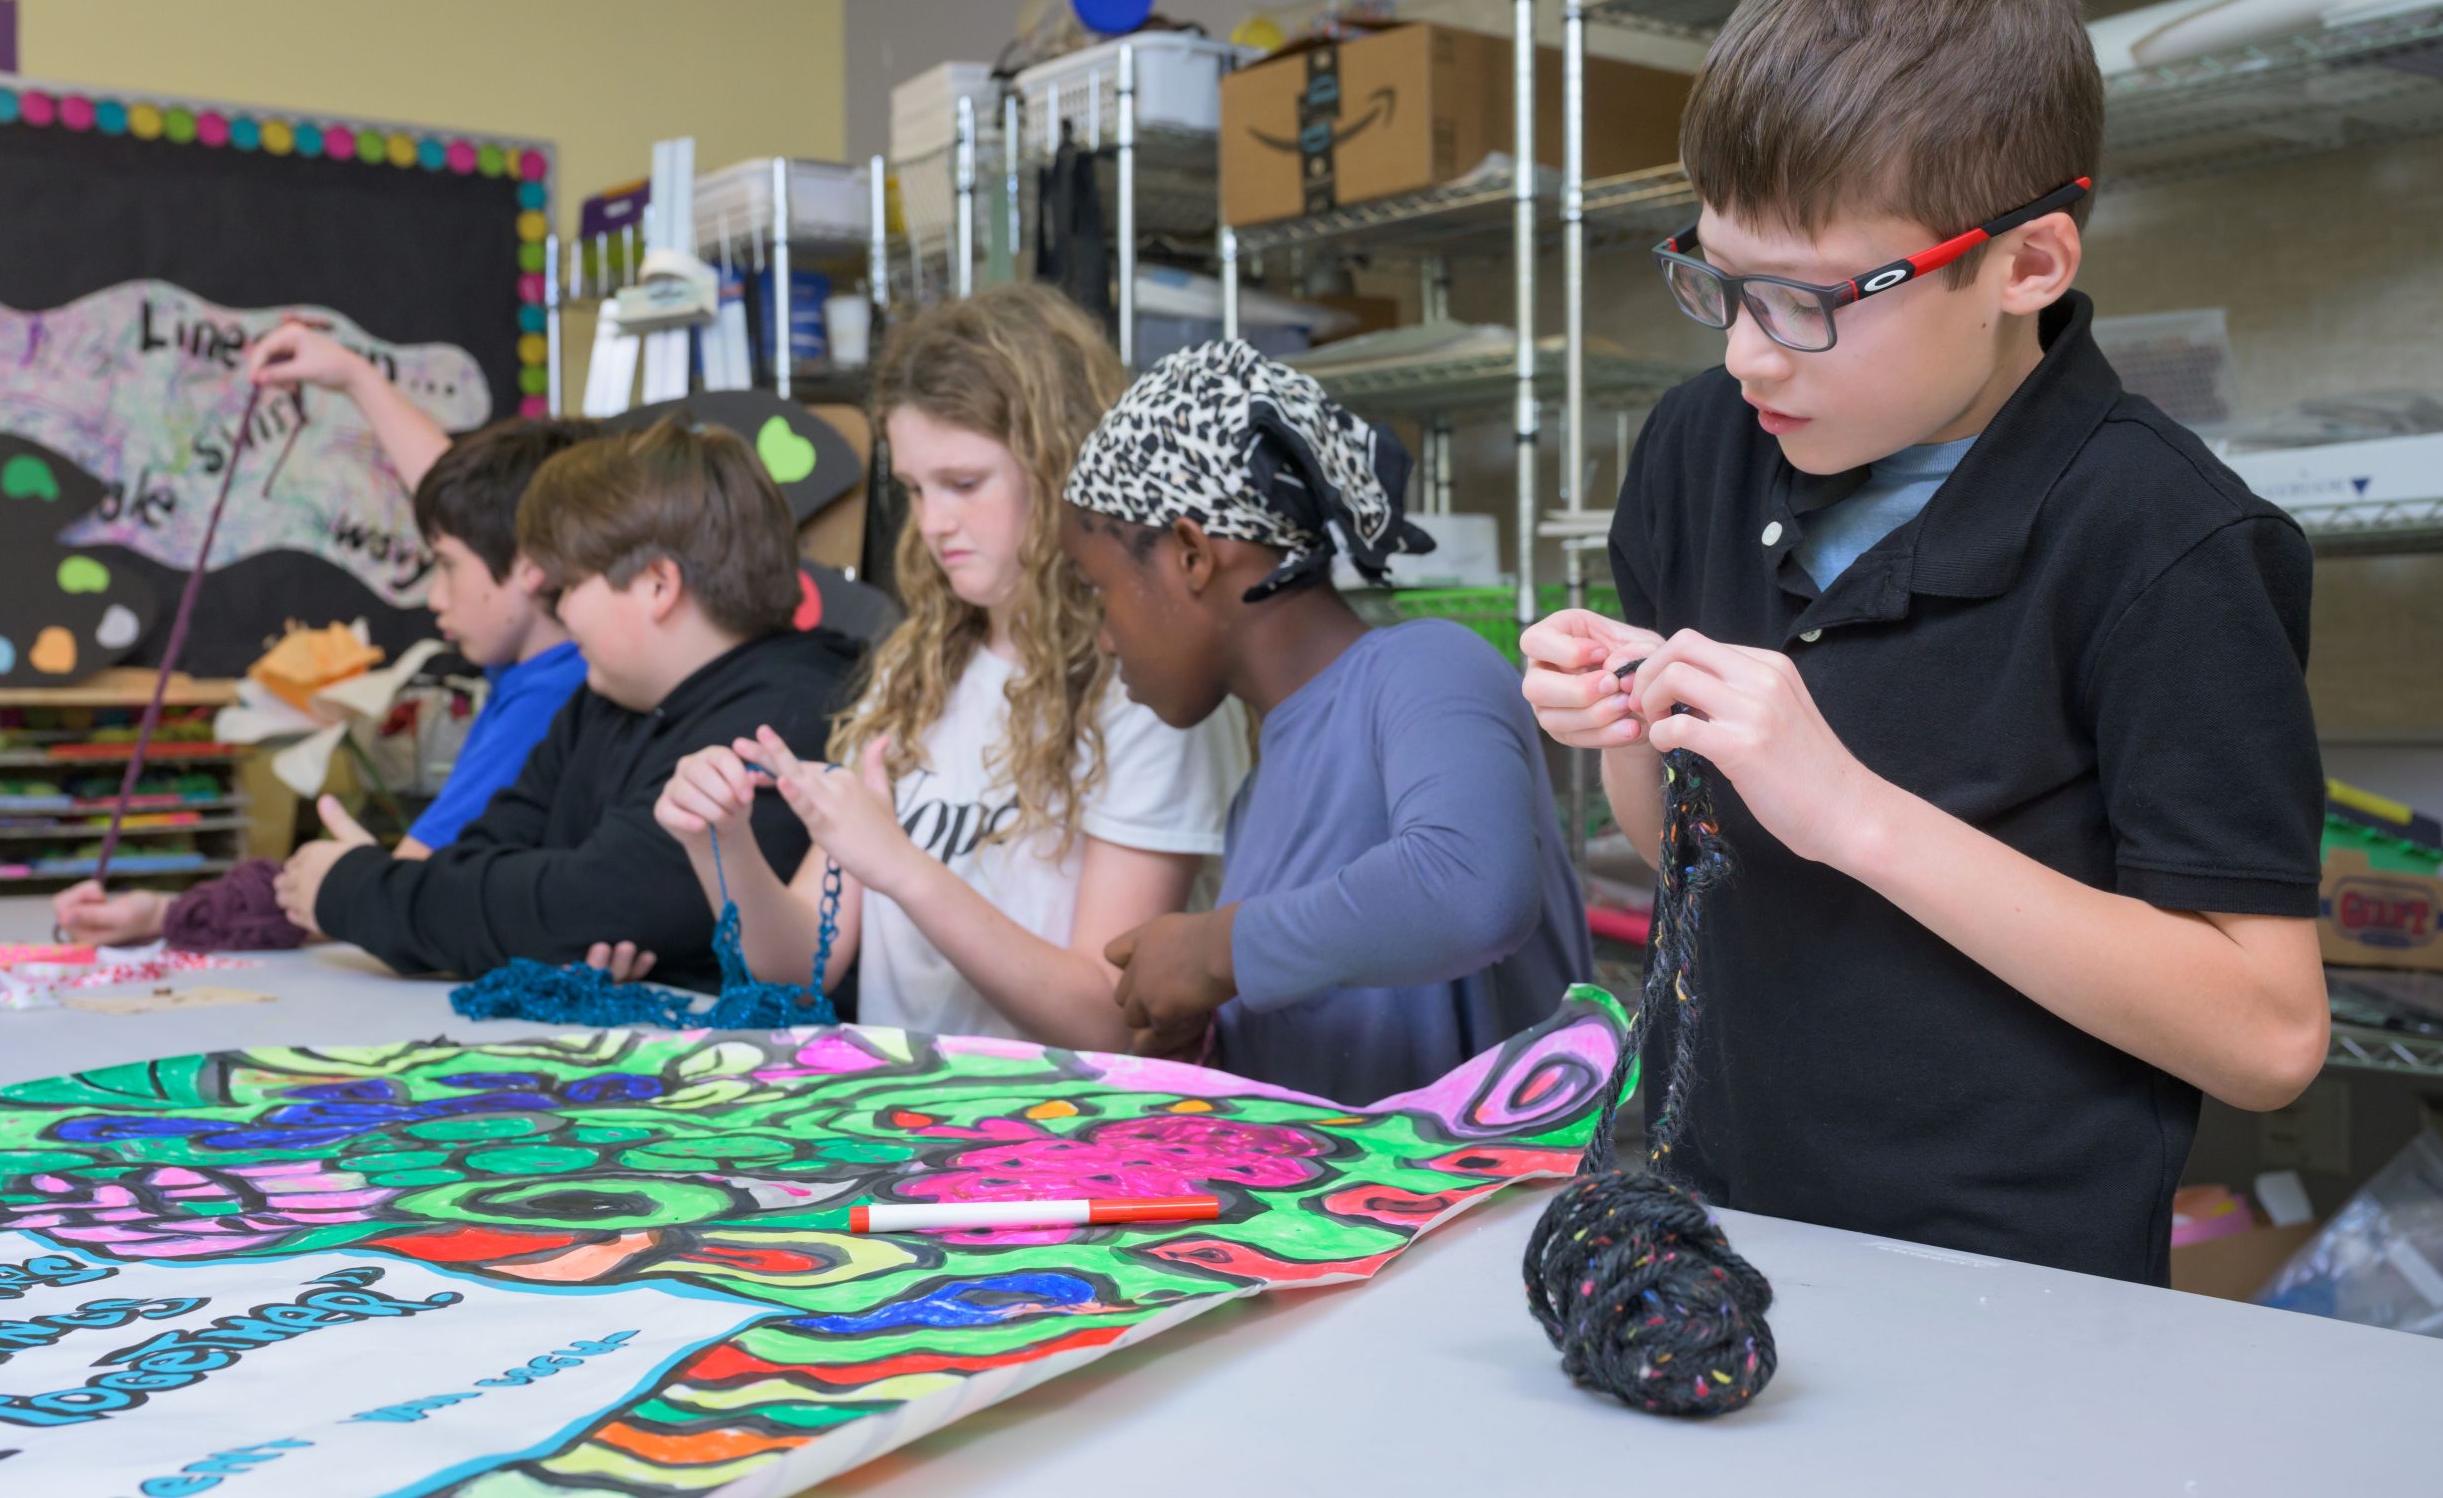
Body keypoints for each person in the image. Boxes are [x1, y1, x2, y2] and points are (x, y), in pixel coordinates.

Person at [1518, 0, 2328, 1284]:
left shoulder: (2164, 540)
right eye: (1719, 278)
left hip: (2008, 1282)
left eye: (1807, 299)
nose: (1752, 356)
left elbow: (2265, 1034)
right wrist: (1624, 722)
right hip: (1722, 1217)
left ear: (2026, 265)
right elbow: (1681, 853)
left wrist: (1854, 811)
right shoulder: (1699, 449)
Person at [644, 286, 1245, 1048]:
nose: (932, 523)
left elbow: (1114, 1021)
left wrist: (901, 865)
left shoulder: (1154, 693)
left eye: (964, 484)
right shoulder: (918, 669)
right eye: (915, 490)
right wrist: (720, 839)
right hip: (909, 1127)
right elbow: (799, 968)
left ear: (1063, 467)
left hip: (1071, 1143)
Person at [1057, 338, 1590, 1105]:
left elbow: (1472, 889)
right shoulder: (1256, 801)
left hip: (1494, 1214)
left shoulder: (1427, 667)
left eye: (1100, 588)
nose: (1105, 635)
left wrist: (1216, 948)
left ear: (1191, 555)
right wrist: (1201, 1039)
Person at [52, 329, 596, 945]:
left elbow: (396, 892)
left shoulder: (550, 699)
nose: (435, 596)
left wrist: (172, 917)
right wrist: (354, 377)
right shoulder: (544, 666)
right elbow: (473, 516)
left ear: (533, 567)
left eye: (444, 565)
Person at [276, 419, 858, 984]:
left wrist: (355, 889)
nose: (560, 609)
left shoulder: (792, 712)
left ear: (658, 585)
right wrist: (539, 923)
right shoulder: (604, 701)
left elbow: (595, 905)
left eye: (573, 584)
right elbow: (490, 853)